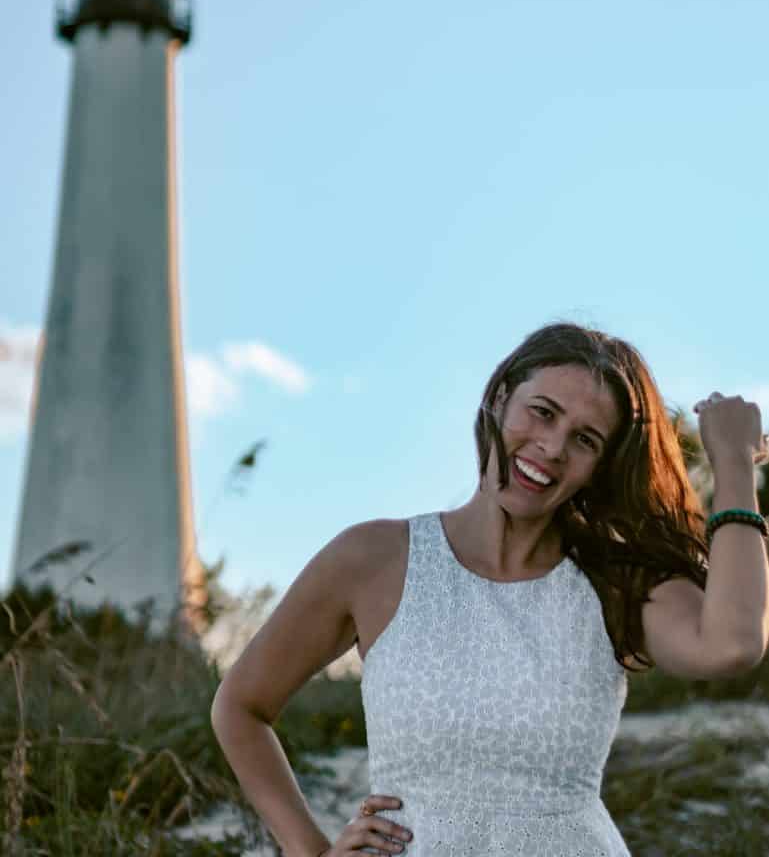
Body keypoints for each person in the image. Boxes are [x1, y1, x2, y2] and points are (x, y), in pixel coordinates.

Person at [210, 322, 769, 857]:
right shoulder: (372, 559)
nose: (551, 447)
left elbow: (732, 645)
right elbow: (241, 707)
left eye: (584, 439)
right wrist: (309, 851)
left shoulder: (615, 580)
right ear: (500, 398)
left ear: (599, 467)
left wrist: (733, 465)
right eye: (542, 412)